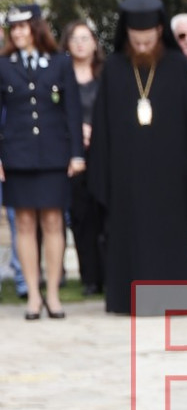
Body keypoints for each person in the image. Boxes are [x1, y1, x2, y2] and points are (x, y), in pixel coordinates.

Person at [88, 0, 187, 314]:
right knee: (130, 236)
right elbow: (102, 127)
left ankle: (173, 301)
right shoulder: (113, 69)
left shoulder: (177, 67)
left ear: (159, 32)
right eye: (136, 41)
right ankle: (128, 301)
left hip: (171, 175)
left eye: (148, 41)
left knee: (169, 234)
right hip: (126, 176)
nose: (141, 46)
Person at [0, 7, 86, 319]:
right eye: (14, 29)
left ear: (37, 28)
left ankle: (53, 295)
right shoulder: (3, 66)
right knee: (23, 223)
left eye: (24, 27)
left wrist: (77, 154)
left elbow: (72, 111)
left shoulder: (60, 63)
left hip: (54, 154)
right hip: (17, 156)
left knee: (53, 222)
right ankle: (33, 296)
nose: (18, 34)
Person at [64, 18, 106, 294]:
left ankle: (108, 275)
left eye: (85, 38)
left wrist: (96, 131)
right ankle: (89, 278)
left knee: (105, 215)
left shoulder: (106, 75)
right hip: (73, 158)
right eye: (75, 39)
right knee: (81, 219)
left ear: (94, 43)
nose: (80, 44)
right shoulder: (61, 76)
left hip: (102, 155)